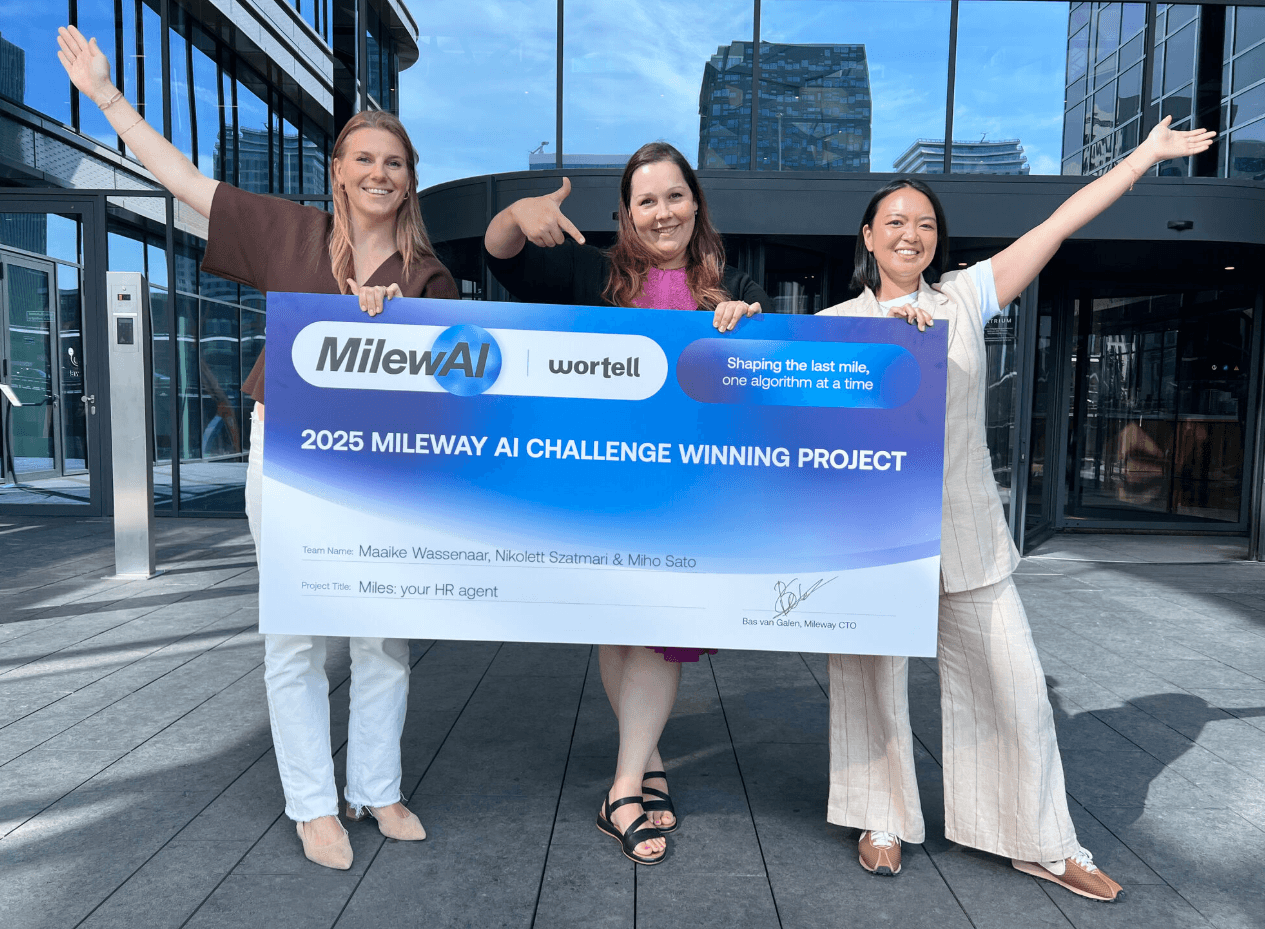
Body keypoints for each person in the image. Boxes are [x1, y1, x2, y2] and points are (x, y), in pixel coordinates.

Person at [57, 25, 459, 870]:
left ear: (409, 179)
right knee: (296, 630)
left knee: (382, 633)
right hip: (290, 452)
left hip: (384, 466)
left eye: (394, 162)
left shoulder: (429, 277)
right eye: (364, 158)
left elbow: (446, 389)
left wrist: (396, 326)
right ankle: (313, 803)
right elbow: (183, 180)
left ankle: (377, 787)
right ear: (336, 171)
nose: (379, 172)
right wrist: (107, 98)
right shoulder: (289, 233)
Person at [817, 116, 1214, 901]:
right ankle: (878, 816)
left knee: (1016, 684)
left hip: (966, 530)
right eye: (894, 221)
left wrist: (1143, 156)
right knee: (868, 681)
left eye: (924, 223)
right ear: (867, 236)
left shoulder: (965, 297)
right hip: (872, 539)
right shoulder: (832, 327)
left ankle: (1040, 840)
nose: (910, 233)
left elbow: (1058, 223)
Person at [483, 141, 768, 864]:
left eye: (674, 196)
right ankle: (642, 770)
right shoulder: (593, 273)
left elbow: (754, 380)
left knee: (659, 633)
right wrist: (515, 215)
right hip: (606, 490)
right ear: (627, 212)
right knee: (619, 632)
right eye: (647, 200)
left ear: (695, 202)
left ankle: (624, 786)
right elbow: (503, 258)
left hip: (684, 496)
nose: (662, 212)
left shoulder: (730, 283)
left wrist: (749, 323)